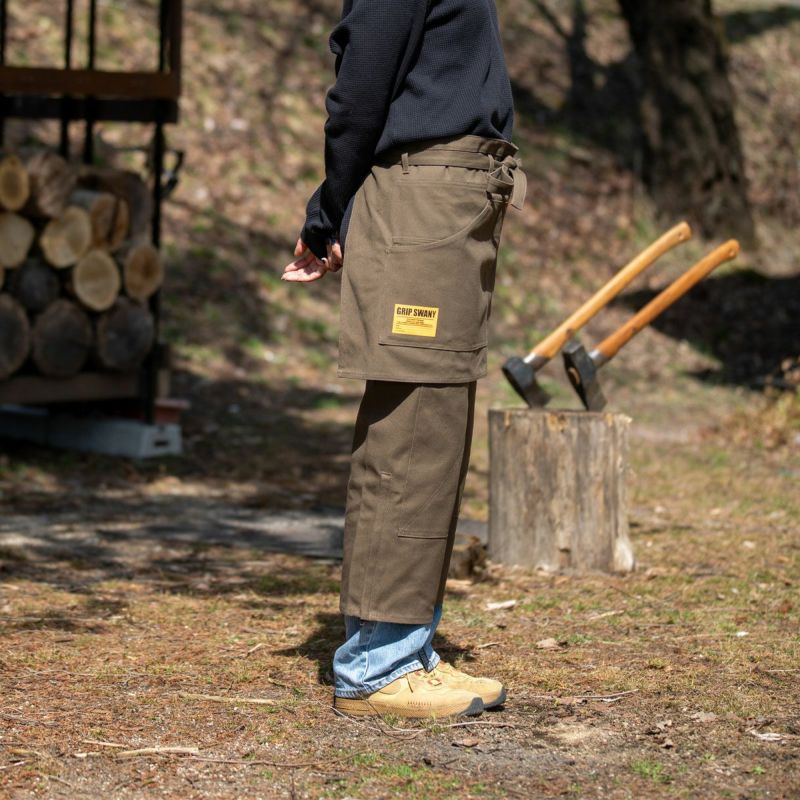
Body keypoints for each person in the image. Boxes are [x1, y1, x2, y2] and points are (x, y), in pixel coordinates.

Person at [282, 0, 525, 718]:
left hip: (453, 200)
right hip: (424, 204)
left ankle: (407, 647)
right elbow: (361, 87)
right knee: (411, 428)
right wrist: (328, 211)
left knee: (437, 424)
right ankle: (376, 663)